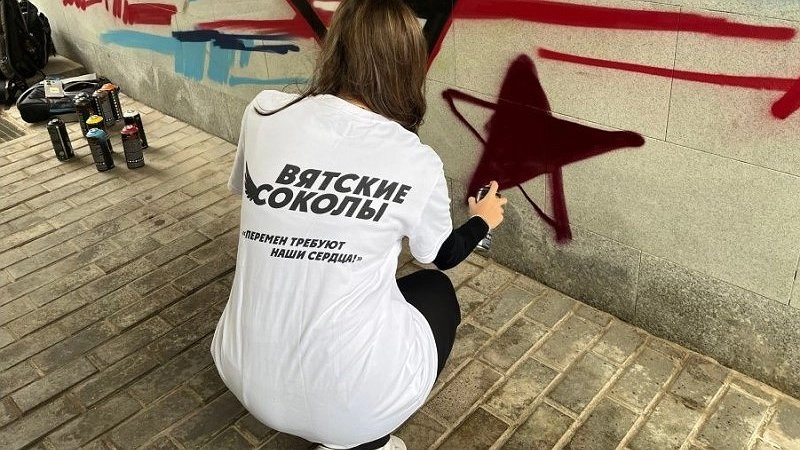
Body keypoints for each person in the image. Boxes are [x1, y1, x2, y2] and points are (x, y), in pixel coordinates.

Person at [210, 0, 507, 449]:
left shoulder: (265, 112)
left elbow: (250, 192)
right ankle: (368, 440)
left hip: (241, 369)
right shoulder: (414, 159)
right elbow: (441, 256)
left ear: (336, 48)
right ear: (408, 64)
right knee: (435, 291)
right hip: (352, 407)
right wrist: (482, 220)